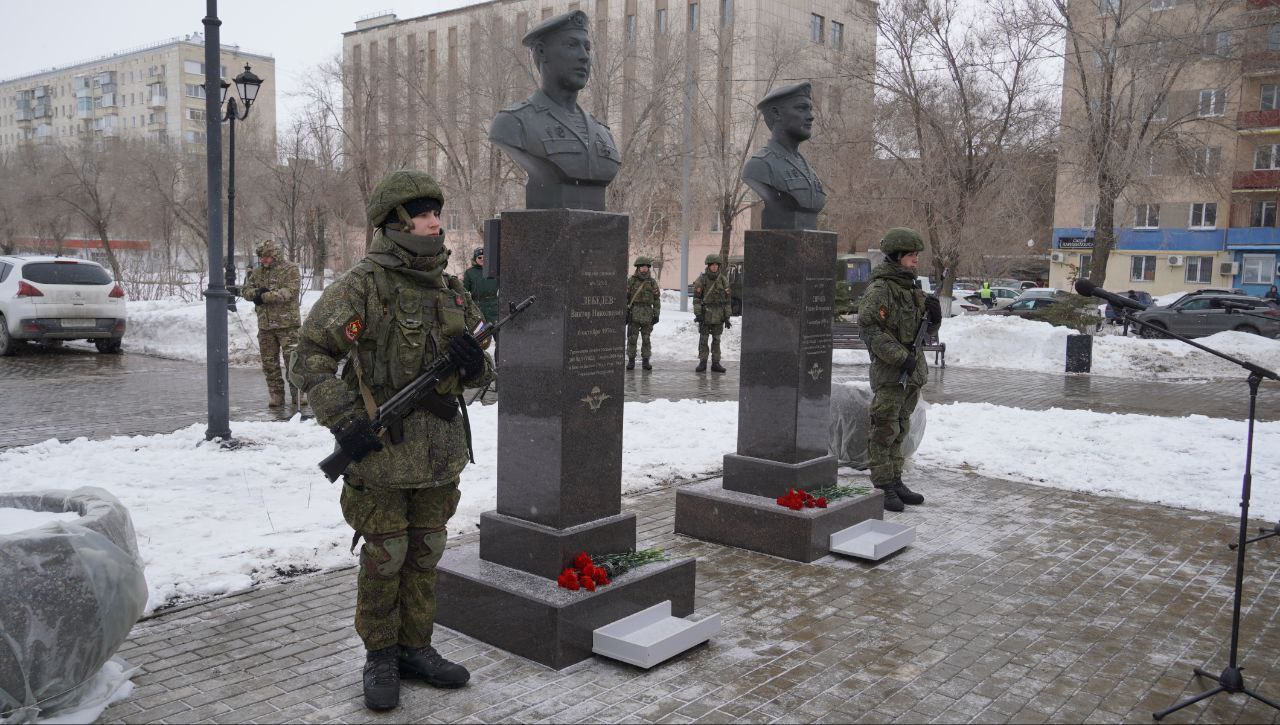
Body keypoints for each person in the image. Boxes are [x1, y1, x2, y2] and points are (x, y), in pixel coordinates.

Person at [288, 170, 494, 711]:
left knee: (426, 552)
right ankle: (380, 653)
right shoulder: (363, 285)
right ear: (396, 222)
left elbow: (481, 376)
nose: (435, 221)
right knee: (387, 555)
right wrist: (343, 419)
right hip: (380, 455)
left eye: (435, 212)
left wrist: (476, 366)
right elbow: (307, 354)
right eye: (423, 213)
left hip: (439, 452)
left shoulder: (450, 287)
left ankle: (415, 648)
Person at [858, 228, 942, 513]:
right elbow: (870, 329)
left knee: (901, 428)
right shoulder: (881, 289)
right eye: (911, 255)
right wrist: (899, 357)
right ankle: (882, 485)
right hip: (892, 373)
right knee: (884, 429)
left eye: (917, 255)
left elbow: (923, 330)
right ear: (896, 257)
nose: (916, 260)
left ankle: (895, 479)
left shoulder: (910, 288)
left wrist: (935, 318)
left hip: (911, 373)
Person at [242, 239, 301, 410]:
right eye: (261, 257)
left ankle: (298, 396)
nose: (263, 260)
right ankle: (276, 396)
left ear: (275, 255)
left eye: (267, 257)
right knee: (269, 364)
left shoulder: (290, 269)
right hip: (266, 326)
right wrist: (255, 293)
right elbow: (245, 291)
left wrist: (264, 297)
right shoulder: (258, 272)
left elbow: (289, 292)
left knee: (293, 363)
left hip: (287, 326)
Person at [693, 254, 733, 373]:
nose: (714, 267)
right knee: (703, 340)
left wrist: (727, 317)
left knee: (717, 340)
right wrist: (698, 314)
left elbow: (727, 301)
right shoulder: (702, 279)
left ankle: (716, 363)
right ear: (708, 266)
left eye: (716, 265)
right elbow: (696, 299)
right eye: (712, 265)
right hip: (706, 315)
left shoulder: (723, 280)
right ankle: (703, 362)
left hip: (719, 315)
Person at [626, 256, 661, 370]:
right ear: (638, 268)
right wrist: (625, 313)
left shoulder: (652, 282)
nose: (644, 268)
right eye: (642, 267)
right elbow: (625, 298)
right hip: (634, 313)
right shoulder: (631, 281)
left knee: (646, 339)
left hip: (647, 314)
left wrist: (656, 314)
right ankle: (631, 361)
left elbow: (656, 299)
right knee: (632, 339)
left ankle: (646, 361)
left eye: (646, 267)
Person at [461, 247, 499, 325]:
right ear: (475, 258)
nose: (482, 259)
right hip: (478, 307)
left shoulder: (494, 270)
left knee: (496, 331)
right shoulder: (469, 273)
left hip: (494, 307)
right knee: (481, 333)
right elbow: (464, 291)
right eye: (479, 257)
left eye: (484, 257)